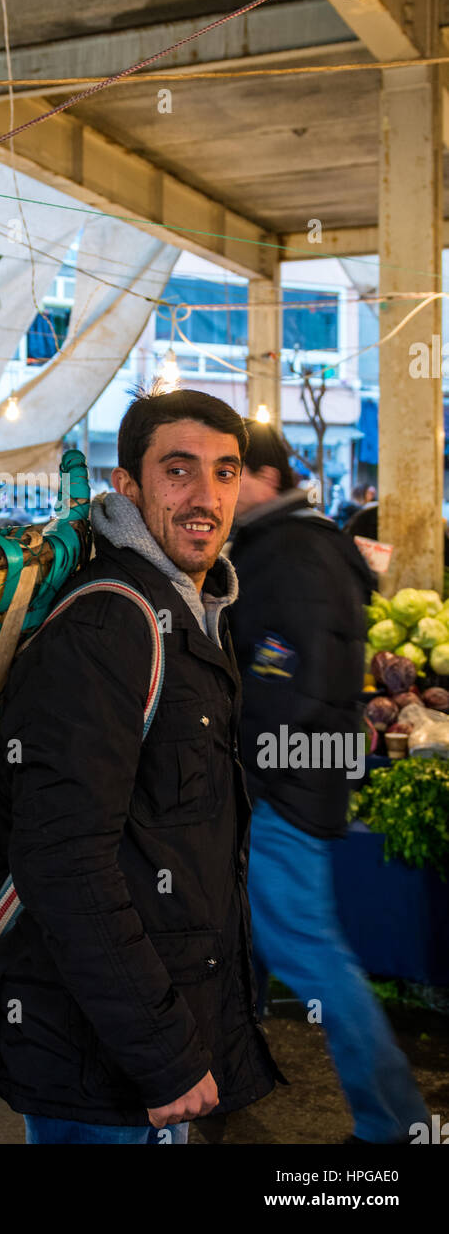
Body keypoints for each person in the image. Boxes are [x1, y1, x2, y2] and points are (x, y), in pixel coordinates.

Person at [0, 388, 280, 1144]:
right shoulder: (111, 622)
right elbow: (61, 861)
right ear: (127, 485)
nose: (205, 497)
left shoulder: (194, 610)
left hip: (144, 1048)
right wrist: (166, 1058)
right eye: (178, 471)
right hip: (99, 1065)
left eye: (224, 471)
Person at [228, 422, 429, 1144]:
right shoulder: (289, 542)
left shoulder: (292, 550)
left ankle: (394, 1121)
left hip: (283, 787)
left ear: (270, 479)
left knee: (308, 951)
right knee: (248, 940)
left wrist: (250, 770)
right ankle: (223, 1082)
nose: (219, 491)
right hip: (288, 780)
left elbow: (285, 679)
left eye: (231, 473)